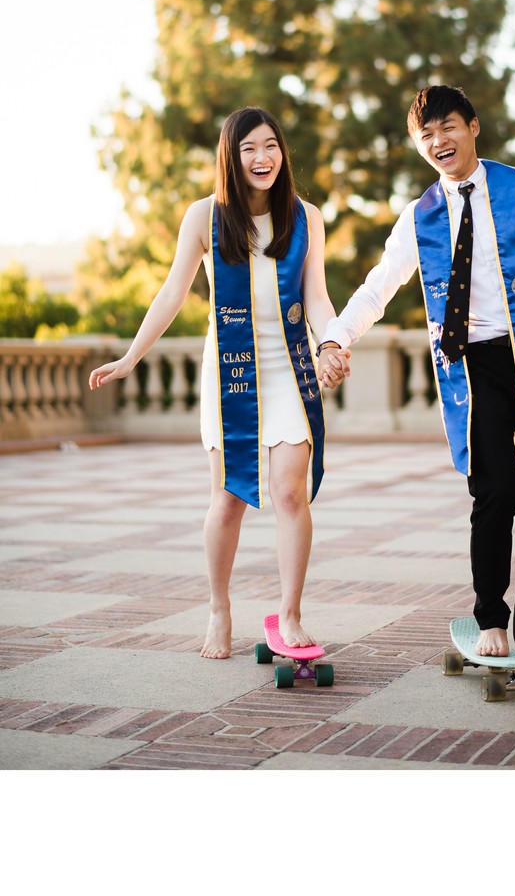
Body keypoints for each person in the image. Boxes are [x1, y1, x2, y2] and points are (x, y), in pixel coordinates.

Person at [318, 84, 515, 680]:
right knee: (495, 490)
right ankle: (491, 619)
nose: (437, 141)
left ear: (473, 126)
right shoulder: (420, 215)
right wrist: (336, 338)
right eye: (425, 135)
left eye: (447, 127)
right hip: (469, 367)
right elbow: (380, 285)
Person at [90, 106, 349, 660]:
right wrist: (131, 358)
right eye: (249, 148)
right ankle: (218, 607)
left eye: (271, 145)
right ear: (230, 158)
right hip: (229, 370)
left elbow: (319, 297)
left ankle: (291, 612)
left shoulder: (307, 217)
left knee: (288, 493)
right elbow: (172, 293)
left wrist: (332, 342)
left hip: (288, 365)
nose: (262, 158)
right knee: (229, 498)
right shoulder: (205, 217)